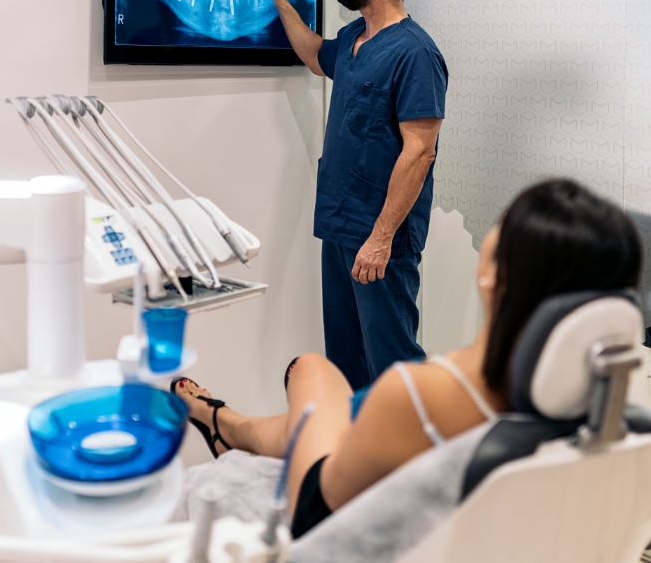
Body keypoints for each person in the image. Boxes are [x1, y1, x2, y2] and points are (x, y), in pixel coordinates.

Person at [173, 179, 641, 539]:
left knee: (310, 370)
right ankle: (227, 424)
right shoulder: (610, 411)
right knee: (323, 389)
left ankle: (224, 424)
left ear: (493, 277)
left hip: (317, 504)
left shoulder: (420, 392)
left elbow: (318, 511)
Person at [266, 0, 448, 390]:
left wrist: (382, 238)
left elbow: (421, 151)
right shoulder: (353, 38)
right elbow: (314, 55)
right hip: (341, 225)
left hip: (379, 237)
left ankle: (413, 457)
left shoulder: (416, 54)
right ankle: (357, 452)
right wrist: (282, 0)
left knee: (393, 363)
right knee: (347, 358)